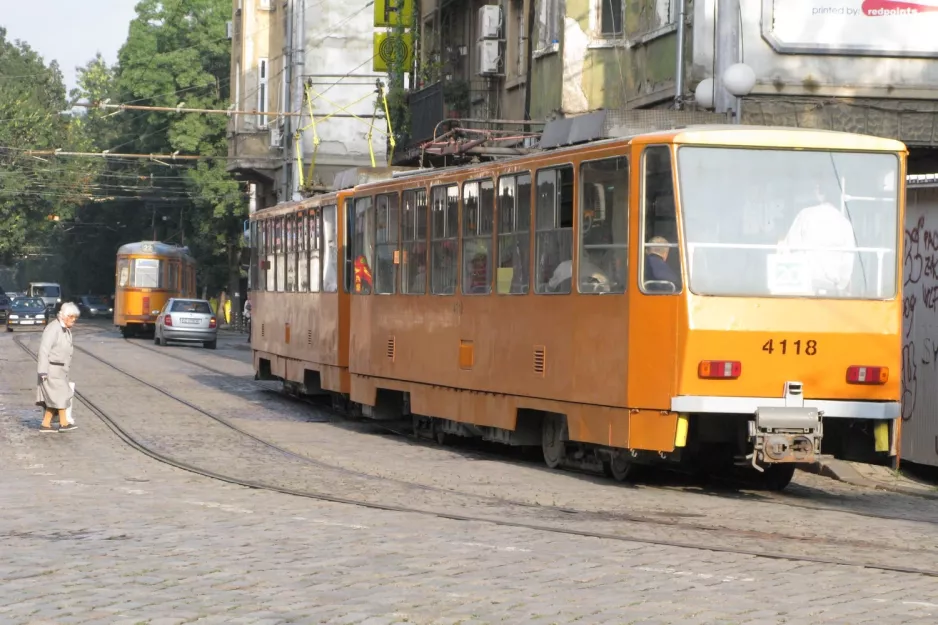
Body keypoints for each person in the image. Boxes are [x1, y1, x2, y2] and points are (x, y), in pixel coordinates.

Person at [780, 183, 856, 294]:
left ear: (819, 194)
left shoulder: (805, 215)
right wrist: (841, 285)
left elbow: (791, 246)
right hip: (832, 287)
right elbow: (848, 260)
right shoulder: (844, 223)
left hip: (805, 284)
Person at [36, 302, 80, 433]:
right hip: (51, 370)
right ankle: (64, 423)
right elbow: (44, 350)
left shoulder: (65, 330)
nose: (74, 321)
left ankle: (46, 424)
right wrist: (42, 371)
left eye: (75, 318)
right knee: (60, 396)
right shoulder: (52, 329)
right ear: (65, 316)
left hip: (60, 370)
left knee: (56, 397)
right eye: (72, 318)